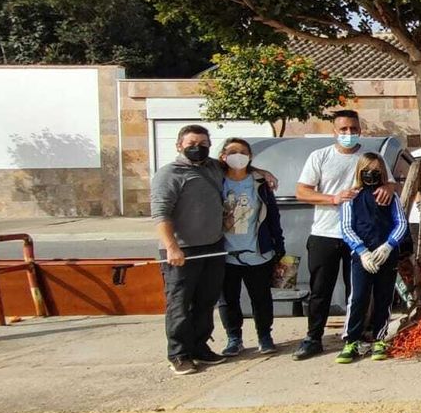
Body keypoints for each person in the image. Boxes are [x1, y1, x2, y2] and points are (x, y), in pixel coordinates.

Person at [293, 110, 395, 360]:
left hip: (362, 238)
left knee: (358, 292)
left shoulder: (371, 157)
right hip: (325, 233)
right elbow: (302, 192)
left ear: (360, 129)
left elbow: (391, 183)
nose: (348, 133)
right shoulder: (320, 156)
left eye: (353, 128)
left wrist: (387, 188)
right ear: (334, 131)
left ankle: (357, 337)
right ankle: (313, 338)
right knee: (320, 289)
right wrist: (333, 199)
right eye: (343, 129)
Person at [152, 125, 229, 375]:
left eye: (204, 143)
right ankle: (178, 354)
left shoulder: (213, 168)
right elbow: (160, 214)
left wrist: (264, 172)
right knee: (180, 304)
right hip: (182, 251)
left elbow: (242, 168)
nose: (198, 148)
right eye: (192, 143)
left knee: (206, 302)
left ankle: (200, 347)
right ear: (179, 146)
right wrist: (171, 247)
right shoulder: (169, 174)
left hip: (213, 247)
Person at [216, 138, 284, 356]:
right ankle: (234, 338)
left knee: (261, 297)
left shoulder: (259, 183)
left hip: (257, 252)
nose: (238, 156)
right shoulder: (216, 180)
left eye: (243, 152)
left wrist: (278, 245)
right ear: (223, 156)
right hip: (225, 253)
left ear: (250, 156)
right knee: (228, 299)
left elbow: (272, 215)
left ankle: (265, 336)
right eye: (233, 151)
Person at [337, 153, 407, 364]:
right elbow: (346, 227)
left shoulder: (390, 196)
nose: (371, 174)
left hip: (386, 254)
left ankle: (380, 338)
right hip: (362, 256)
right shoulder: (351, 197)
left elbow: (401, 223)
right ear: (360, 171)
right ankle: (351, 340)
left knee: (384, 297)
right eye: (367, 170)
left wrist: (389, 246)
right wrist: (361, 251)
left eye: (376, 171)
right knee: (358, 298)